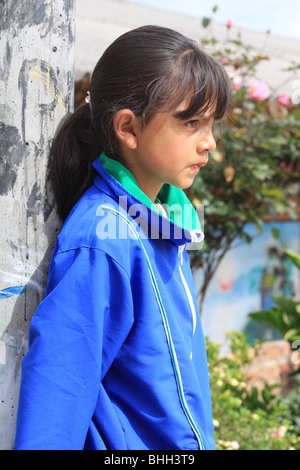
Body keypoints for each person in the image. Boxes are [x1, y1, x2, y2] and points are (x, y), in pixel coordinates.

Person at [14, 25, 231, 450]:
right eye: (191, 123)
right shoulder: (102, 237)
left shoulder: (166, 222)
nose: (209, 143)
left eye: (212, 125)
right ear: (128, 128)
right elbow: (60, 387)